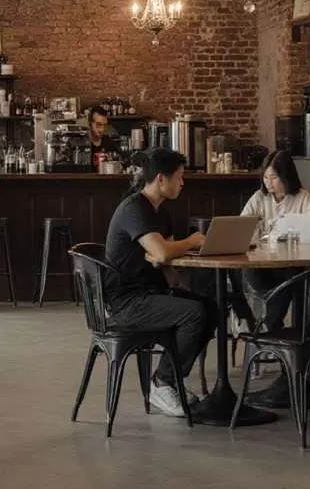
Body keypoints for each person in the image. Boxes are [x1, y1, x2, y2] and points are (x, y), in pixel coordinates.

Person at [103, 148, 214, 418]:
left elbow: (162, 259)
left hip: (149, 292)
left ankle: (172, 377)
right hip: (125, 301)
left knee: (211, 309)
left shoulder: (159, 212)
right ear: (161, 180)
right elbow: (163, 251)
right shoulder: (135, 208)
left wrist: (176, 283)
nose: (183, 183)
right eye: (179, 177)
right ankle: (162, 383)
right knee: (194, 314)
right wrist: (193, 241)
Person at [239, 149, 310, 329]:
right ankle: (274, 326)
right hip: (262, 265)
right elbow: (240, 225)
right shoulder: (259, 198)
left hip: (289, 264)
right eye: (265, 178)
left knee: (293, 277)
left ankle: (269, 327)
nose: (268, 183)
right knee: (251, 273)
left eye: (274, 178)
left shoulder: (302, 197)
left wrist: (298, 232)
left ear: (286, 176)